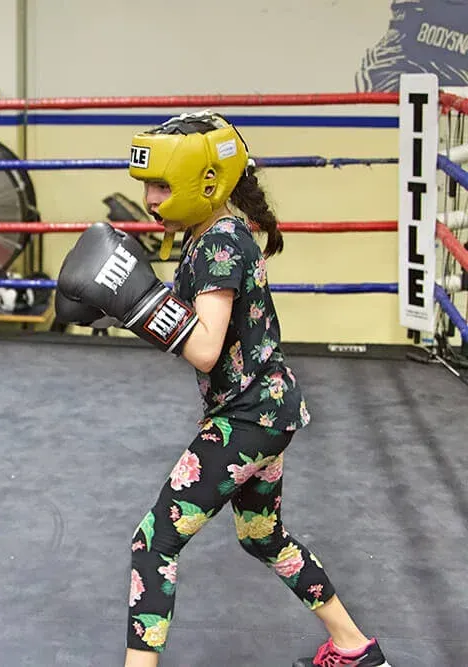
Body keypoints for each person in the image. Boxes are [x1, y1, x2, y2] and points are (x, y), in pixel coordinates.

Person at [54, 111, 390, 667]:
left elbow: (205, 346)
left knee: (153, 542)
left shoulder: (219, 244)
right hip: (268, 412)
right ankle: (354, 647)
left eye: (161, 185)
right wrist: (120, 310)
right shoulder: (212, 234)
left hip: (247, 418)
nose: (151, 199)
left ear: (204, 182)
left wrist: (137, 303)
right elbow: (194, 328)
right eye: (147, 185)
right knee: (262, 536)